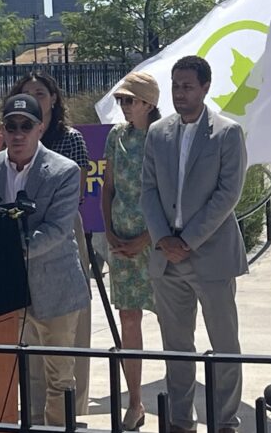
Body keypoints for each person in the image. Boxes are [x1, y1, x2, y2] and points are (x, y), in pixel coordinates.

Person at [0, 93, 90, 426]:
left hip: (56, 289)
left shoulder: (64, 171)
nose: (18, 134)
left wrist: (9, 249)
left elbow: (57, 230)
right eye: (11, 126)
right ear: (2, 130)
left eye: (26, 126)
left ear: (40, 129)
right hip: (5, 292)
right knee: (20, 376)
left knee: (59, 377)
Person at [140, 55, 247, 433]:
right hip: (167, 259)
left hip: (211, 256)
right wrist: (163, 239)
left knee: (224, 344)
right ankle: (181, 420)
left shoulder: (227, 133)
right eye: (175, 86)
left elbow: (228, 194)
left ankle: (225, 421)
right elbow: (148, 191)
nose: (179, 93)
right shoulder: (158, 133)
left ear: (205, 87)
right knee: (176, 347)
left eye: (187, 86)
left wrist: (187, 240)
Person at [9, 70, 93, 421]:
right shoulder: (12, 137)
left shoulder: (69, 140)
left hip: (62, 233)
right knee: (29, 347)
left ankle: (67, 414)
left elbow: (75, 192)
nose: (35, 99)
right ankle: (33, 416)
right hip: (18, 242)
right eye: (28, 93)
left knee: (65, 336)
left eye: (41, 93)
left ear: (54, 99)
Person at [101, 71, 161, 430]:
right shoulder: (116, 137)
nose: (123, 106)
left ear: (148, 104)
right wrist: (108, 230)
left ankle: (178, 397)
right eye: (120, 100)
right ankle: (135, 401)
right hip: (121, 241)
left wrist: (148, 237)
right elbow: (108, 186)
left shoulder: (163, 137)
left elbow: (171, 194)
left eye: (129, 100)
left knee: (171, 318)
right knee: (128, 318)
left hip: (156, 242)